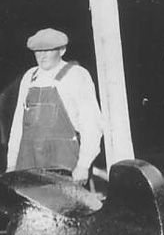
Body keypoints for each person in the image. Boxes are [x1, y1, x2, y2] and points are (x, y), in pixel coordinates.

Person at [6, 28, 103, 182]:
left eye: (48, 50)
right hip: (29, 163)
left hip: (63, 163)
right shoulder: (30, 77)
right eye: (37, 51)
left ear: (62, 50)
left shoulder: (76, 75)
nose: (42, 56)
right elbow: (18, 125)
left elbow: (91, 124)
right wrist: (11, 164)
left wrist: (83, 165)